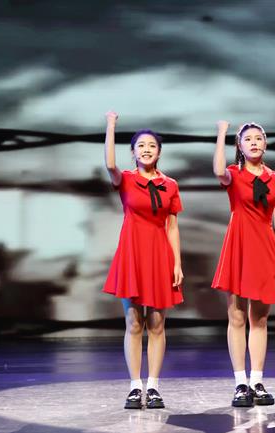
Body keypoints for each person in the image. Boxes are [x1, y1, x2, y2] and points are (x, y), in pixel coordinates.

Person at [102, 111, 184, 409]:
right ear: (133, 152)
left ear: (159, 152)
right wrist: (111, 126)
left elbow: (172, 227)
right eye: (141, 146)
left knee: (157, 324)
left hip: (160, 255)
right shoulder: (125, 179)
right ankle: (135, 386)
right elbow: (110, 164)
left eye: (152, 145)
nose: (146, 149)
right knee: (134, 323)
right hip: (132, 254)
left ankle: (154, 386)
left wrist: (177, 263)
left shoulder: (170, 184)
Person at [212, 120, 275, 407]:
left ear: (265, 144)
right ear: (240, 146)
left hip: (265, 248)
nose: (254, 142)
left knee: (260, 318)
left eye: (259, 138)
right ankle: (240, 383)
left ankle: (257, 380)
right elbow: (218, 170)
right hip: (239, 245)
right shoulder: (234, 174)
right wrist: (222, 133)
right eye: (248, 139)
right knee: (236, 316)